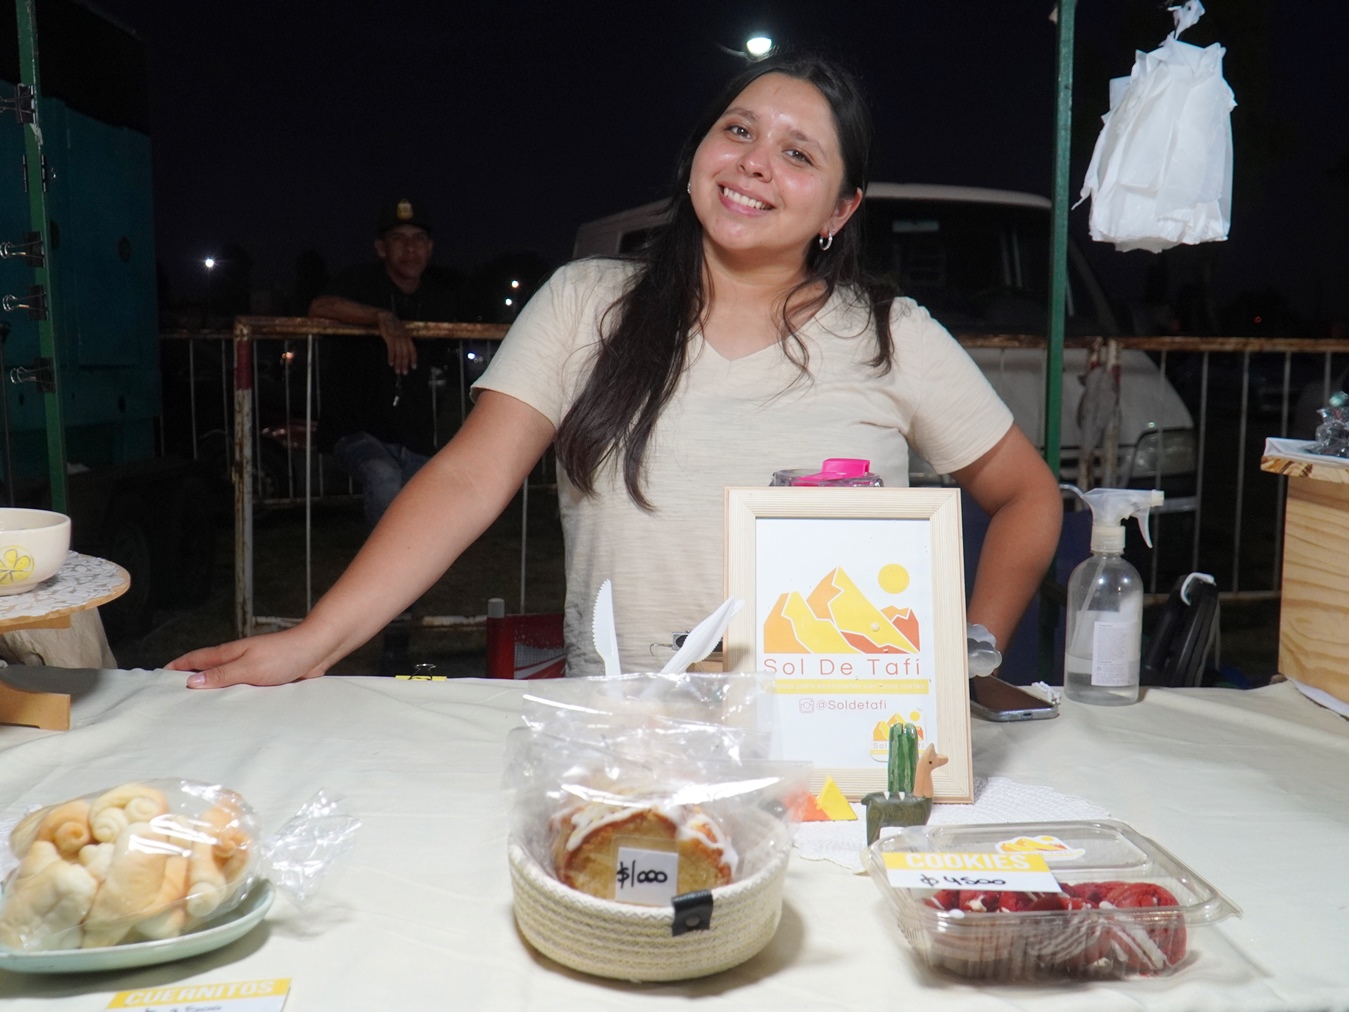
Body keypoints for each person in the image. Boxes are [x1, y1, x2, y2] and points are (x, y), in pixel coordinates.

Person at [171, 54, 1061, 689]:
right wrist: (317, 640)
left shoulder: (891, 335)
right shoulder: (586, 302)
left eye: (798, 153)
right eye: (738, 130)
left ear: (840, 208)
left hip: (827, 753)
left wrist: (968, 653)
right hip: (622, 739)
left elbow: (1027, 494)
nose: (755, 162)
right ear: (698, 155)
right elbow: (467, 481)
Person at [307, 198, 462, 673]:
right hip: (356, 433)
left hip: (414, 438)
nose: (410, 249)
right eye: (399, 240)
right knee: (383, 478)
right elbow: (320, 306)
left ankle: (397, 633)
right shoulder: (361, 283)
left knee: (431, 520)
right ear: (381, 248)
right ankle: (380, 591)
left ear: (430, 247)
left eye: (419, 240)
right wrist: (379, 318)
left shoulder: (439, 296)